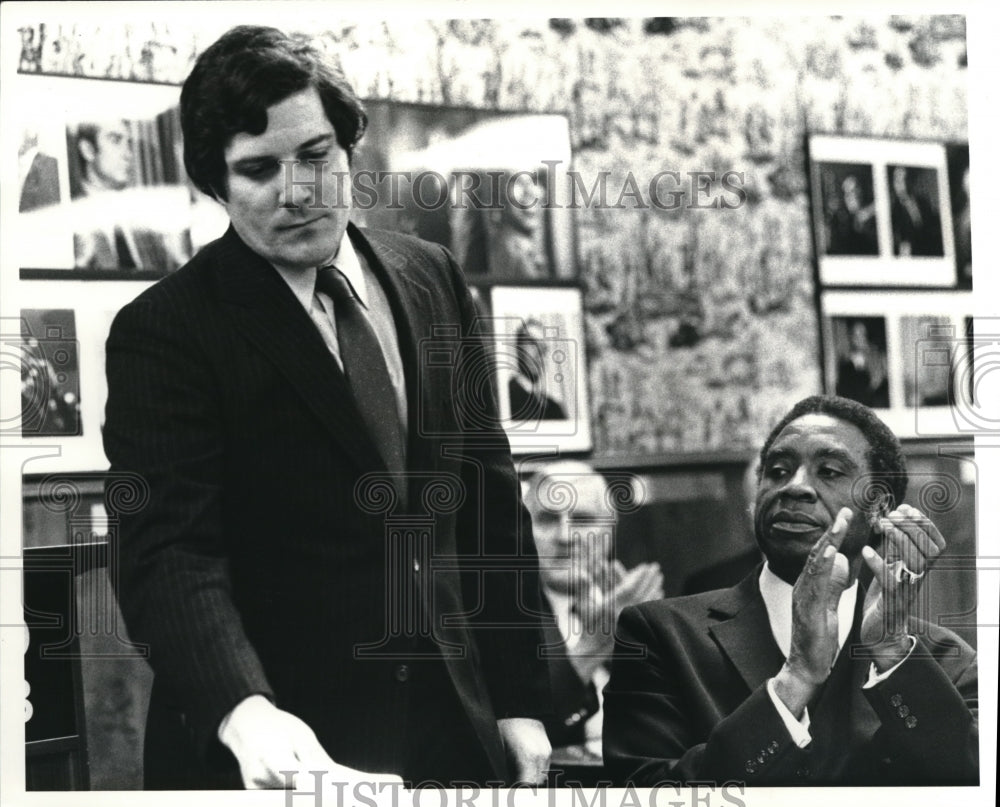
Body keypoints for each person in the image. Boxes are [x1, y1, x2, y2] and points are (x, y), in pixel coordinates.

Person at [103, 25, 551, 791]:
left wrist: (521, 700)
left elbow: (488, 498)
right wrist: (246, 712)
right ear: (216, 185)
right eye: (259, 169)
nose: (299, 191)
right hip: (284, 749)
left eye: (315, 155)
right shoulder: (166, 331)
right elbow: (168, 553)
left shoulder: (431, 275)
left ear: (349, 149)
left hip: (453, 728)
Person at [603, 395, 978, 786]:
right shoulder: (658, 635)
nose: (794, 487)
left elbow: (973, 783)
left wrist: (891, 652)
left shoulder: (944, 661)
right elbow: (642, 791)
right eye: (778, 470)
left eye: (830, 472)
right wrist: (795, 679)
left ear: (881, 508)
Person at [523, 461, 663, 752]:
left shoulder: (636, 601)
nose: (564, 537)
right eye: (548, 519)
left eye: (583, 520)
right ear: (524, 531)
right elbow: (516, 739)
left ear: (609, 531)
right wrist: (593, 647)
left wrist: (653, 645)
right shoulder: (500, 620)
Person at [508, 319, 568, 423]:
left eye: (543, 347)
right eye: (532, 343)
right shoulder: (505, 398)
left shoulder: (554, 408)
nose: (539, 353)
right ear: (518, 348)